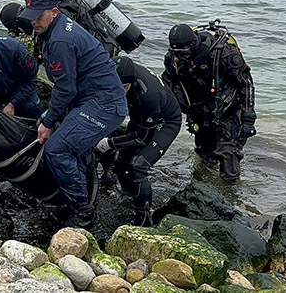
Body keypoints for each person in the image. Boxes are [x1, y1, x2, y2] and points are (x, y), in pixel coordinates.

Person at [24, 0, 127, 228]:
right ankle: (78, 196)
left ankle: (84, 213)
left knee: (57, 150)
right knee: (66, 141)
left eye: (39, 16)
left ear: (54, 12)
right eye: (31, 15)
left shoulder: (60, 39)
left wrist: (49, 123)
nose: (33, 21)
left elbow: (65, 89)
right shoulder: (53, 28)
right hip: (87, 100)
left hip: (104, 104)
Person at [162, 23, 256, 183]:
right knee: (204, 154)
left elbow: (245, 83)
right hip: (199, 111)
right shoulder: (174, 58)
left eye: (183, 53)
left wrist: (248, 118)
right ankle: (203, 186)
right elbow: (168, 84)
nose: (181, 56)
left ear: (193, 44)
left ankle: (231, 196)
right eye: (176, 52)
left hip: (228, 109)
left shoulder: (223, 53)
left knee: (227, 152)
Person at [95, 56, 181, 226]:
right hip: (139, 115)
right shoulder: (113, 75)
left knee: (138, 166)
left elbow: (142, 138)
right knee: (122, 163)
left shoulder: (147, 96)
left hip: (165, 122)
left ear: (129, 85)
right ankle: (128, 194)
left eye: (121, 88)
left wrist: (109, 143)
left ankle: (144, 219)